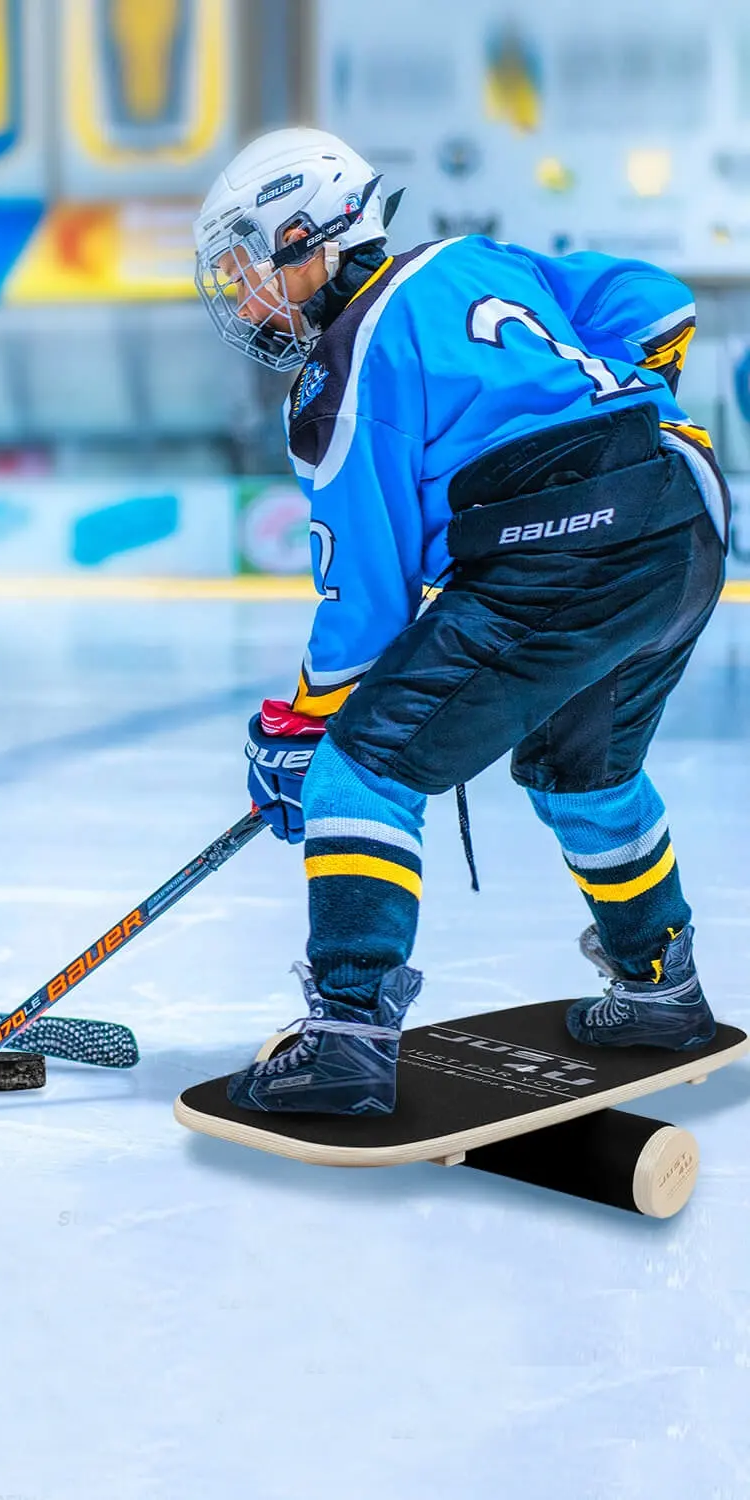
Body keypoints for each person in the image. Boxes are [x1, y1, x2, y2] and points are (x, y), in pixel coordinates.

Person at [193, 127, 729, 1116]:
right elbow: (659, 303)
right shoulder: (475, 259)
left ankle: (348, 1036)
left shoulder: (341, 375)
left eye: (252, 261)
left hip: (568, 539)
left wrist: (300, 732)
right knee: (585, 770)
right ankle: (664, 990)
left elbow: (366, 606)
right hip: (685, 510)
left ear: (316, 235)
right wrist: (614, 412)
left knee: (366, 763)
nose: (245, 293)